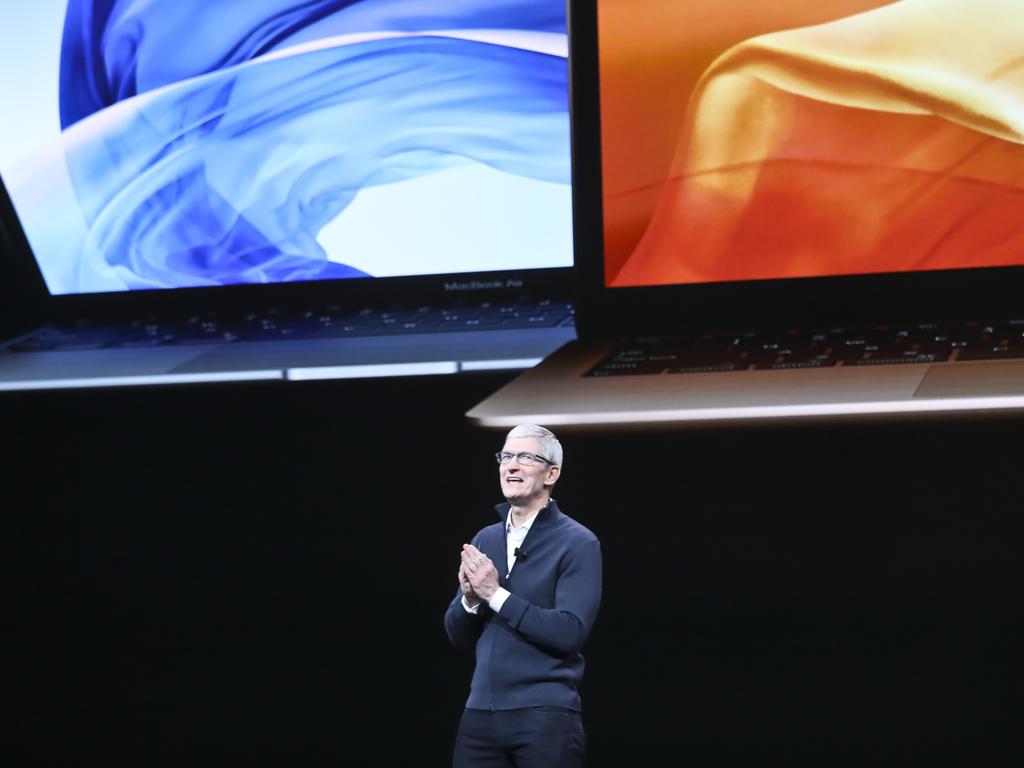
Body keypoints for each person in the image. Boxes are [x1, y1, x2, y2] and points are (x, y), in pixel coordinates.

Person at [444, 423, 603, 768]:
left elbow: (569, 631)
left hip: (545, 716)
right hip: (479, 715)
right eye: (506, 456)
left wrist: (494, 594)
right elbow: (456, 634)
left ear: (551, 474)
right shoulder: (485, 540)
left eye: (526, 457)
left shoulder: (578, 542)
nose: (511, 466)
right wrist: (471, 600)